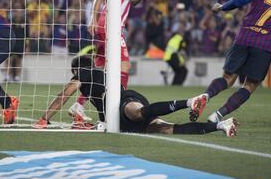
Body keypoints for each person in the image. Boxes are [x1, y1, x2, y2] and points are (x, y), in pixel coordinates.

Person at [37, 56, 238, 137]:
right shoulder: (96, 81)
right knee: (167, 129)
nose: (73, 77)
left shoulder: (84, 73)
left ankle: (190, 102)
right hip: (119, 116)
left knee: (136, 112)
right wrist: (97, 125)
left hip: (124, 102)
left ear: (77, 69)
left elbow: (64, 95)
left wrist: (44, 119)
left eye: (74, 72)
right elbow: (104, 114)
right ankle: (221, 125)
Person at [68, 0, 146, 122]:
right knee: (124, 66)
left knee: (100, 68)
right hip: (109, 24)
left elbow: (128, 2)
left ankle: (79, 105)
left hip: (114, 25)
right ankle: (118, 104)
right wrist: (93, 20)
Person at [190, 0, 271, 123]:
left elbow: (241, 0)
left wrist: (222, 7)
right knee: (249, 86)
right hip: (264, 44)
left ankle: (206, 96)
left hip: (244, 37)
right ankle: (218, 115)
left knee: (228, 78)